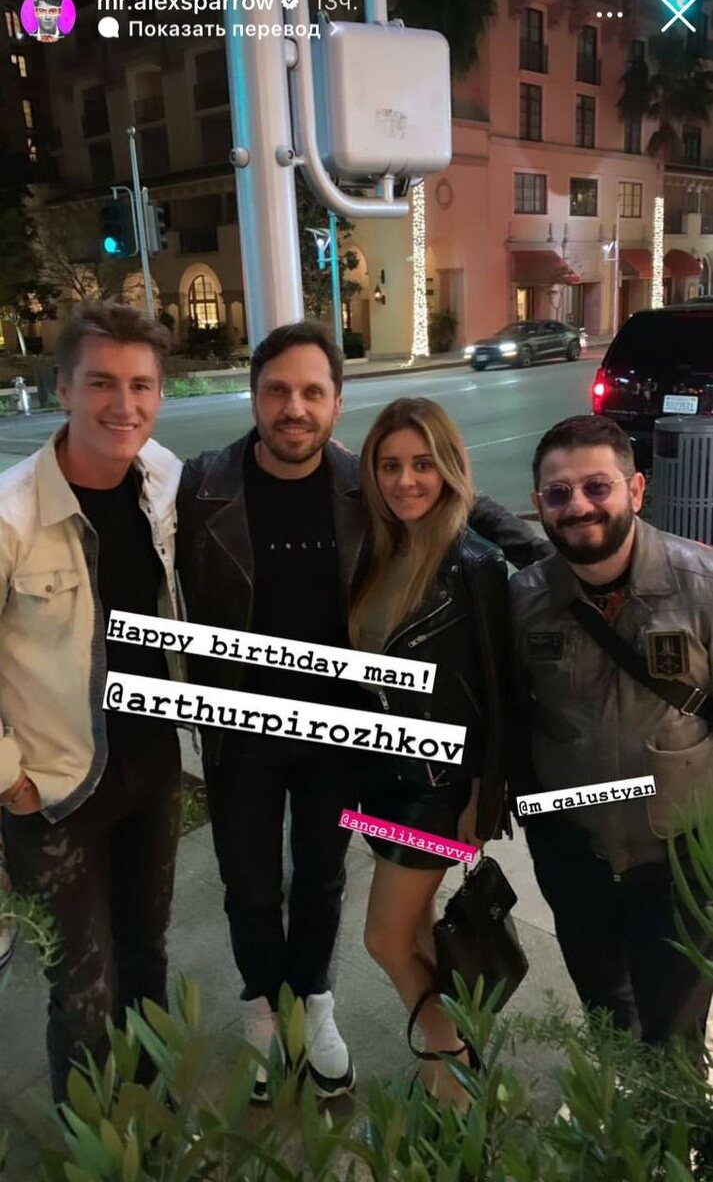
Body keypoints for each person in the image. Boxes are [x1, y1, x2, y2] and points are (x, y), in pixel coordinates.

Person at [176, 320, 548, 1102]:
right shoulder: (203, 483)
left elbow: (457, 506)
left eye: (312, 392)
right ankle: (263, 1013)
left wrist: (558, 564)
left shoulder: (363, 482)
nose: (294, 407)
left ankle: (316, 1004)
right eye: (278, 390)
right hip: (241, 736)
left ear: (336, 403)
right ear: (254, 395)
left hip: (343, 741)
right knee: (249, 887)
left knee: (322, 882)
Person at [0, 300, 183, 1100]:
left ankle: (152, 1111)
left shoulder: (163, 479)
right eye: (102, 382)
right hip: (55, 789)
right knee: (83, 986)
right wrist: (9, 778)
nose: (124, 404)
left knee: (147, 953)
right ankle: (92, 1139)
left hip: (153, 769)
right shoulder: (12, 514)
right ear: (64, 389)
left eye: (141, 385)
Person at [510, 414, 713, 1049]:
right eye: (558, 493)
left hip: (681, 860)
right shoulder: (523, 601)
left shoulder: (702, 586)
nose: (578, 506)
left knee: (674, 1034)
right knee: (605, 1013)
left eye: (597, 486)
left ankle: (667, 1110)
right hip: (576, 857)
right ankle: (613, 1099)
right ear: (539, 504)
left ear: (637, 489)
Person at [349, 398, 509, 1101]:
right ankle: (445, 1077)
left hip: (437, 788)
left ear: (447, 467)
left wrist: (486, 795)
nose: (405, 481)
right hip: (379, 779)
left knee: (382, 940)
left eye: (421, 464)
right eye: (389, 466)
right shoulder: (379, 550)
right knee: (414, 937)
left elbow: (501, 692)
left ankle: (456, 1069)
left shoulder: (474, 562)